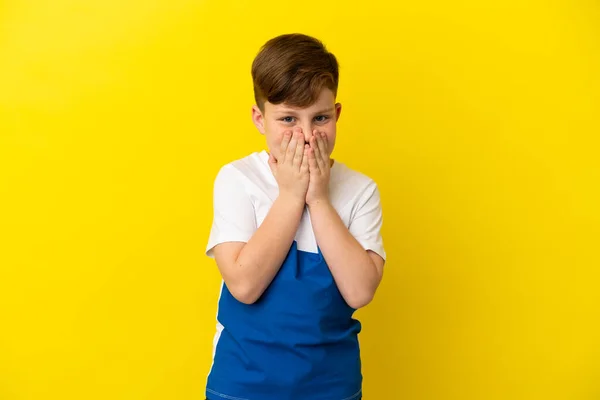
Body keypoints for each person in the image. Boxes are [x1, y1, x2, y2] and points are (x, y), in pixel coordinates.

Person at [204, 33, 386, 400]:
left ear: (336, 114)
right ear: (260, 119)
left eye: (319, 118)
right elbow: (244, 285)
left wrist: (318, 198)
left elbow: (360, 290)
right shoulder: (238, 179)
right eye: (288, 119)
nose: (306, 136)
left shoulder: (360, 190)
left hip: (331, 385)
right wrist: (291, 194)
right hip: (242, 385)